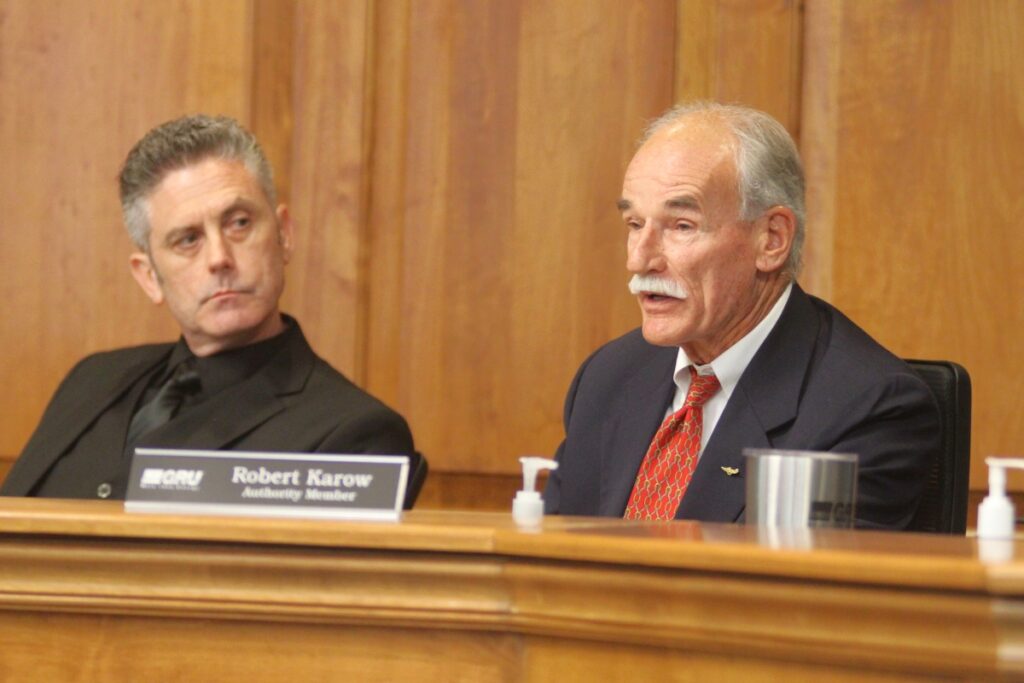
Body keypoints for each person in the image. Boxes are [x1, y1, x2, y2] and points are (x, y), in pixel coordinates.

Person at [544, 102, 939, 529]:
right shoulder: (608, 377)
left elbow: (788, 574)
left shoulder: (866, 408)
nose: (639, 260)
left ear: (772, 239)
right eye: (635, 224)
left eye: (681, 226)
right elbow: (547, 555)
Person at [1, 115, 422, 505]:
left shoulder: (357, 434)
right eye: (188, 239)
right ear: (149, 277)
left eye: (239, 223)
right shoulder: (92, 380)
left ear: (284, 235)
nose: (219, 258)